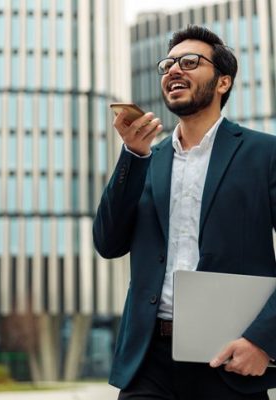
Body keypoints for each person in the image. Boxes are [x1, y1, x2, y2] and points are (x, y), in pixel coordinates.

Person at [93, 25, 276, 399]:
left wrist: (264, 340)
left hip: (230, 356)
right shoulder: (147, 158)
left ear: (223, 82)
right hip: (148, 362)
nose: (174, 69)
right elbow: (108, 243)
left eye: (190, 61)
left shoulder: (265, 155)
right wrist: (132, 157)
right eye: (168, 64)